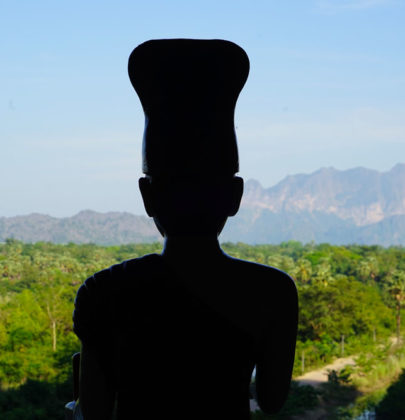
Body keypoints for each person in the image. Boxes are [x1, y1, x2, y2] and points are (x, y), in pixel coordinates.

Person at [72, 39, 298, 420]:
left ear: (147, 196)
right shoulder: (272, 291)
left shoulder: (105, 290)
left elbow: (93, 409)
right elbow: (272, 400)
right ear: (235, 196)